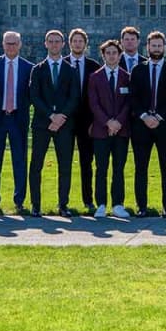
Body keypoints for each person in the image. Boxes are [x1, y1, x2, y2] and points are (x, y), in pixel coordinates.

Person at [129, 31, 166, 215]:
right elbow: (133, 97)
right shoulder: (138, 70)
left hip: (165, 126)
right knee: (140, 168)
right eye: (154, 46)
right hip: (141, 126)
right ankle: (142, 207)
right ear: (147, 47)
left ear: (164, 48)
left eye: (160, 46)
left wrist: (158, 117)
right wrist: (145, 116)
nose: (157, 49)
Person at [29, 29, 80, 217]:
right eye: (50, 41)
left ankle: (63, 205)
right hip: (43, 124)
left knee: (65, 165)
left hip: (65, 125)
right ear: (45, 44)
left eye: (57, 41)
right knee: (36, 165)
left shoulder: (71, 70)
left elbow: (74, 97)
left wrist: (61, 117)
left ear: (63, 44)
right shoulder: (38, 69)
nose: (54, 44)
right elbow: (34, 96)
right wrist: (51, 115)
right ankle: (35, 205)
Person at [0, 31, 32, 215]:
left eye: (14, 43)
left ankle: (19, 201)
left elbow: (30, 95)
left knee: (19, 161)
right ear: (3, 44)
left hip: (18, 118)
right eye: (7, 43)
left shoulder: (29, 67)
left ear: (20, 44)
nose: (11, 46)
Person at [89, 39, 132, 218]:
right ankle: (100, 204)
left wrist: (118, 122)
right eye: (108, 53)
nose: (112, 56)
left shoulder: (127, 77)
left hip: (121, 131)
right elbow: (94, 103)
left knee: (118, 168)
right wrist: (108, 122)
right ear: (103, 55)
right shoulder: (95, 77)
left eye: (115, 53)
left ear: (120, 55)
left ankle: (118, 204)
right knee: (101, 168)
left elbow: (129, 103)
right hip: (101, 130)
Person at [66, 28, 101, 211]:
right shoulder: (62, 64)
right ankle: (63, 201)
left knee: (87, 162)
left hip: (87, 122)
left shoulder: (94, 66)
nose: (78, 44)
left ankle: (88, 200)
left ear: (85, 44)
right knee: (65, 162)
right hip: (66, 120)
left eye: (81, 41)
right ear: (70, 43)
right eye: (75, 41)